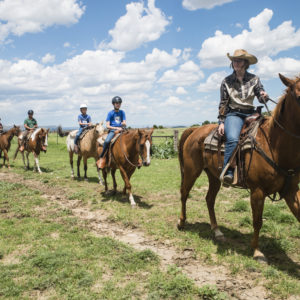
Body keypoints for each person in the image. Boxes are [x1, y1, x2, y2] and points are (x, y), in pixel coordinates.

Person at [217, 49, 269, 185]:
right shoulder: (226, 81)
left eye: (239, 60)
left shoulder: (254, 79)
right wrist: (221, 122)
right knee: (233, 139)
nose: (235, 62)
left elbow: (260, 97)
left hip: (252, 113)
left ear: (245, 63)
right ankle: (228, 171)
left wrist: (264, 96)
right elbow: (223, 104)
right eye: (234, 60)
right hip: (234, 114)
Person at [96, 96, 126, 169]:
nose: (118, 104)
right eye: (116, 103)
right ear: (113, 104)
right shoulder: (110, 113)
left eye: (119, 103)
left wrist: (123, 125)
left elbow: (124, 122)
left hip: (122, 129)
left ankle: (136, 158)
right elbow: (107, 126)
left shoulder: (122, 112)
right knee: (106, 141)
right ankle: (102, 157)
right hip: (113, 130)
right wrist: (116, 127)